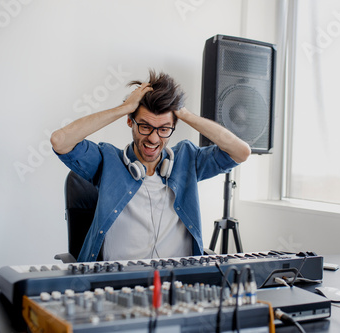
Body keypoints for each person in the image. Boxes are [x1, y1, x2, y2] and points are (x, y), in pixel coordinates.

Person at [50, 69, 251, 262]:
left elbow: (241, 152)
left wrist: (186, 115)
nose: (153, 138)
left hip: (175, 283)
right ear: (131, 122)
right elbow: (60, 140)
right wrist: (124, 108)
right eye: (145, 126)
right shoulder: (107, 161)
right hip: (119, 283)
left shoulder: (187, 160)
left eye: (164, 129)